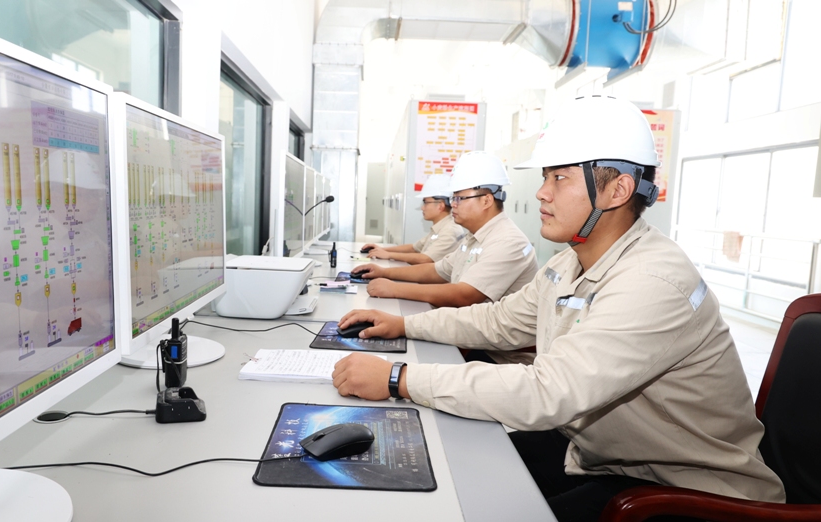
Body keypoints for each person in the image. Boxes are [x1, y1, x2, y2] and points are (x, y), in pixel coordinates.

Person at [331, 95, 785, 522]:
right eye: (545, 177)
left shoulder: (653, 280)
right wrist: (403, 324)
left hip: (686, 489)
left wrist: (399, 378)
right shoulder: (569, 262)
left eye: (559, 178)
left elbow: (548, 391)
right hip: (602, 453)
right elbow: (499, 321)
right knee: (456, 469)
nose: (541, 193)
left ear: (618, 190)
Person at [352, 151, 538, 309]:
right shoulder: (474, 237)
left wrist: (395, 288)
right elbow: (437, 270)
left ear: (486, 200)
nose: (453, 205)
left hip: (490, 342)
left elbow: (464, 295)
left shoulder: (507, 241)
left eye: (459, 198)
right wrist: (384, 272)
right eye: (453, 198)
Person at [360, 175, 464, 265]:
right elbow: (414, 248)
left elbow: (426, 259)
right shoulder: (440, 227)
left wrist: (388, 255)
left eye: (426, 202)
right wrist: (381, 249)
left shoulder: (450, 230)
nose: (422, 208)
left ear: (440, 206)